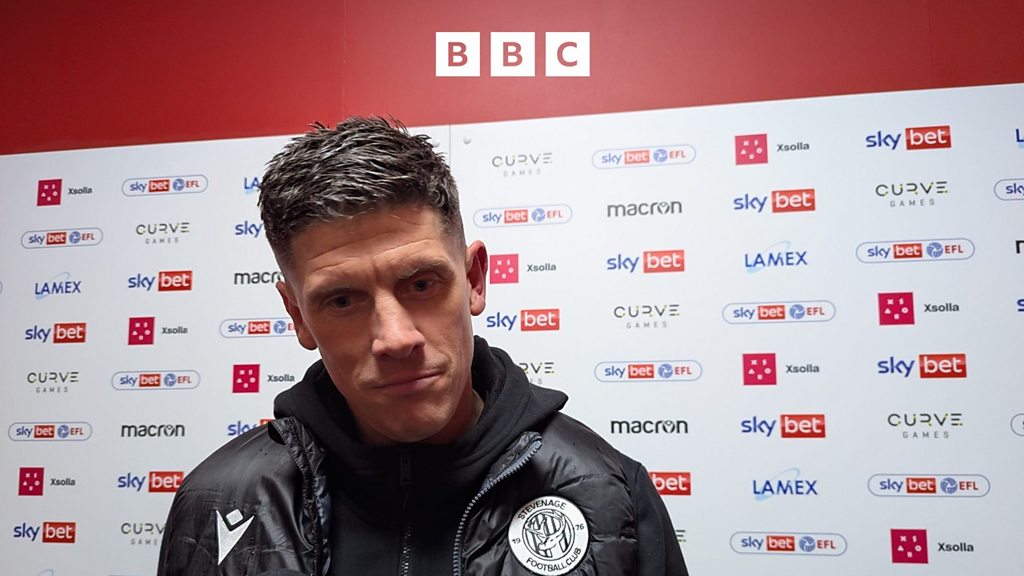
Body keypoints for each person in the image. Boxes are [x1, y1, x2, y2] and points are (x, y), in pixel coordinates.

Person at [157, 117, 688, 576]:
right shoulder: (216, 502)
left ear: (474, 279)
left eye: (421, 284)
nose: (395, 338)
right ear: (298, 316)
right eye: (342, 300)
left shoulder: (607, 490)